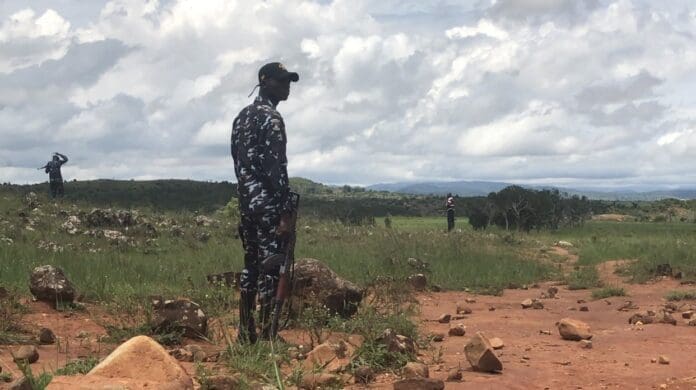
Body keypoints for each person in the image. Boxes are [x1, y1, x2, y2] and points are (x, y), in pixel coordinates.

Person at [230, 62, 299, 343]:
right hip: (269, 204)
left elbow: (238, 161)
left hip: (246, 202)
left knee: (251, 266)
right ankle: (269, 334)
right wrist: (285, 209)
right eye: (282, 81)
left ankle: (245, 333)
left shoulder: (241, 117)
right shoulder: (271, 118)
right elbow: (275, 167)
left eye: (289, 82)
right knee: (273, 267)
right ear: (265, 82)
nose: (287, 87)